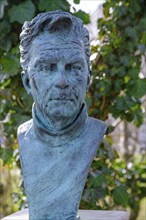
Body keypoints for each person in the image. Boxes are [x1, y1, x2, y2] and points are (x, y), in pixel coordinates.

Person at [18, 10, 108, 220]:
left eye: (73, 67)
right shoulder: (23, 136)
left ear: (88, 79)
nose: (61, 81)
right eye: (47, 67)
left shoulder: (95, 133)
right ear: (28, 83)